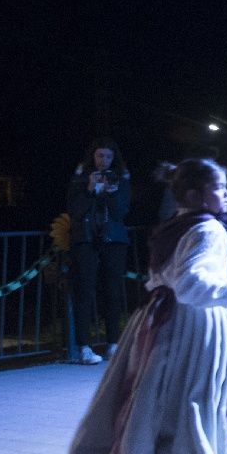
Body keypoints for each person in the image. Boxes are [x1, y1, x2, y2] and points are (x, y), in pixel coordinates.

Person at [69, 159, 227, 454]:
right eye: (220, 186)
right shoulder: (208, 229)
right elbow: (189, 283)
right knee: (188, 403)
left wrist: (226, 269)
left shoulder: (178, 225)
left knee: (149, 405)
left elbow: (178, 272)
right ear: (195, 195)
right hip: (192, 328)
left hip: (160, 322)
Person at [65, 139, 133, 364]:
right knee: (84, 292)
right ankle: (84, 347)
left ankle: (113, 343)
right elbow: (74, 211)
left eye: (108, 157)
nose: (103, 161)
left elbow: (121, 212)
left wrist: (112, 192)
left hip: (114, 241)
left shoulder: (120, 179)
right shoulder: (80, 178)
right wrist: (89, 190)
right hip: (85, 241)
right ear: (92, 157)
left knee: (113, 293)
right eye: (99, 156)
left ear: (114, 158)